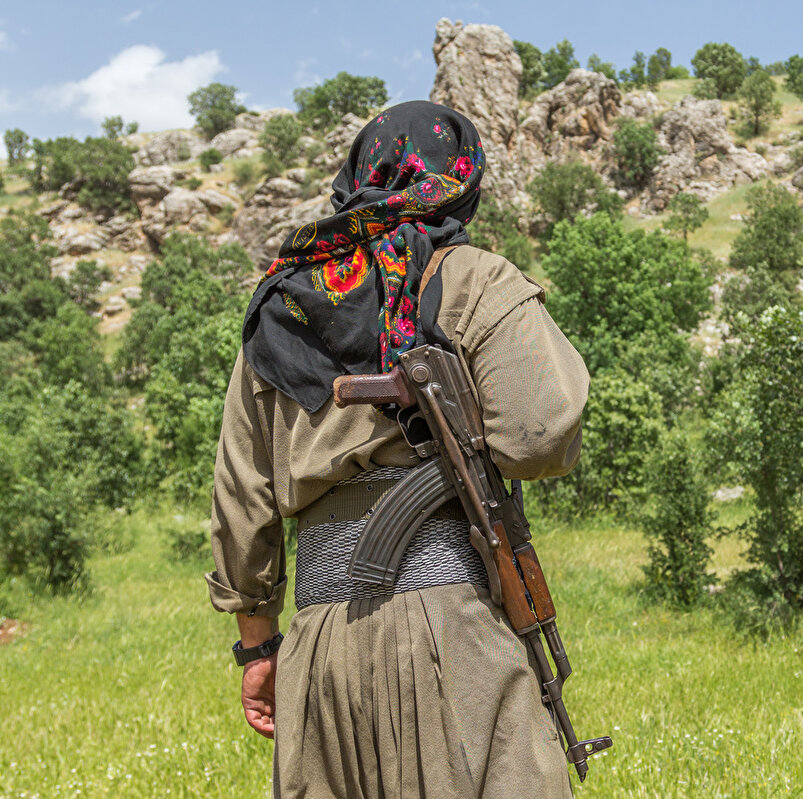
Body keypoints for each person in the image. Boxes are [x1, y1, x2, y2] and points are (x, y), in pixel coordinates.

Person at [206, 101, 588, 798]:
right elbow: (543, 432)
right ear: (462, 182)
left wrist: (259, 645)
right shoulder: (470, 277)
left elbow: (241, 499)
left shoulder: (279, 306)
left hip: (321, 647)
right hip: (454, 628)